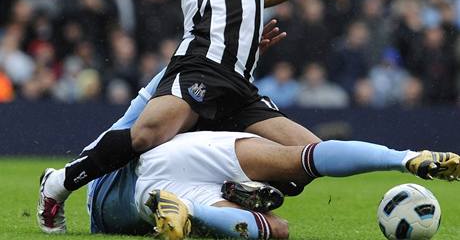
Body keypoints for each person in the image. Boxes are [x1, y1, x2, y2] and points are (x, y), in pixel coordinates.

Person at [37, 15, 291, 234]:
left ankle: (225, 197)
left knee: (274, 226)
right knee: (151, 138)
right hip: (115, 186)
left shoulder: (238, 89)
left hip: (175, 187)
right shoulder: (184, 71)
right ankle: (61, 182)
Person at [81, 130, 460, 239]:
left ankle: (190, 210)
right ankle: (405, 157)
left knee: (294, 169)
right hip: (144, 185)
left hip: (155, 167)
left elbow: (137, 121)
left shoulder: (181, 84)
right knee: (301, 161)